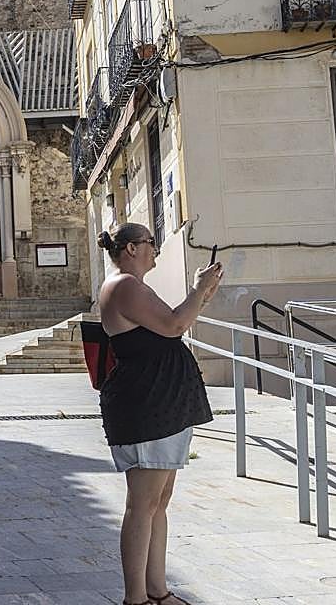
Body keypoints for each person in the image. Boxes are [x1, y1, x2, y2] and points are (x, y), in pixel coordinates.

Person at [96, 223, 223, 605]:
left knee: (158, 502)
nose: (156, 249)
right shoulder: (124, 286)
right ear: (131, 249)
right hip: (147, 403)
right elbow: (173, 325)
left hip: (159, 402)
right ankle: (136, 598)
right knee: (142, 504)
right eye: (151, 243)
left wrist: (203, 293)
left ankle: (157, 591)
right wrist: (198, 290)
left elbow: (173, 324)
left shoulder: (133, 286)